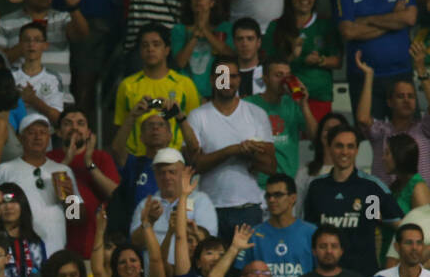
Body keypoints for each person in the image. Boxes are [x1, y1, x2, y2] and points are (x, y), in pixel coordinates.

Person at [185, 53, 276, 245]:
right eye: (222, 75)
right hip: (209, 207)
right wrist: (232, 150)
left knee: (247, 270)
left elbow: (270, 166)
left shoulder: (256, 114)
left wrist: (250, 155)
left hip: (248, 207)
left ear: (239, 79)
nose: (227, 80)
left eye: (233, 76)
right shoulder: (197, 116)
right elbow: (194, 165)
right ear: (212, 79)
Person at [303, 125, 400, 277]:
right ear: (329, 148)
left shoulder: (370, 188)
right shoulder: (317, 187)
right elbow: (309, 231)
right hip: (324, 275)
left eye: (350, 146)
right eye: (339, 146)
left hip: (362, 276)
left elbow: (396, 224)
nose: (344, 152)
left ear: (357, 150)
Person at [337, 0, 418, 117]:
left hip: (401, 75)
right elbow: (349, 32)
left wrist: (365, 20)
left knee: (408, 138)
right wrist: (394, 21)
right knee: (367, 139)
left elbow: (409, 19)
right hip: (363, 78)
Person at [0, 114, 79, 256]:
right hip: (16, 254)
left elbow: (75, 219)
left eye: (43, 133)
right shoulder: (4, 170)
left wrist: (70, 199)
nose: (38, 137)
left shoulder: (63, 171)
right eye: (31, 133)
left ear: (49, 138)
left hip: (55, 251)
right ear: (20, 138)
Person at [355, 41, 430, 185]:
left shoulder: (424, 129)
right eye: (400, 96)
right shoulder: (381, 131)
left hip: (417, 201)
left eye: (411, 96)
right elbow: (363, 119)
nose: (406, 100)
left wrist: (421, 70)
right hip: (385, 201)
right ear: (390, 102)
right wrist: (369, 76)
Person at [114, 24, 203, 157]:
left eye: (156, 44)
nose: (150, 49)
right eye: (145, 45)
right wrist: (134, 114)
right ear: (139, 51)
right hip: (137, 160)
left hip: (174, 159)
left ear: (167, 50)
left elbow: (195, 133)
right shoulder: (127, 85)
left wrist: (177, 114)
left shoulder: (185, 84)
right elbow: (118, 132)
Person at [0, 0, 88, 100]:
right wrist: (28, 42)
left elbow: (82, 35)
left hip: (59, 98)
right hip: (18, 99)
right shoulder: (5, 22)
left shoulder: (62, 18)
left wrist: (73, 7)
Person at [47, 109, 118, 258]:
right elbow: (51, 193)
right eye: (68, 124)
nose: (74, 128)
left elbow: (115, 195)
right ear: (59, 132)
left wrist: (89, 163)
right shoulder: (48, 159)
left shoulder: (101, 157)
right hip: (56, 243)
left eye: (80, 124)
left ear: (88, 133)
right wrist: (66, 162)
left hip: (92, 244)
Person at [247, 56, 317, 182]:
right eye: (278, 75)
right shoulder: (248, 104)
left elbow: (315, 137)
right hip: (258, 182)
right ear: (265, 79)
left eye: (288, 76)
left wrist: (304, 105)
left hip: (288, 182)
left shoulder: (294, 104)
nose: (284, 80)